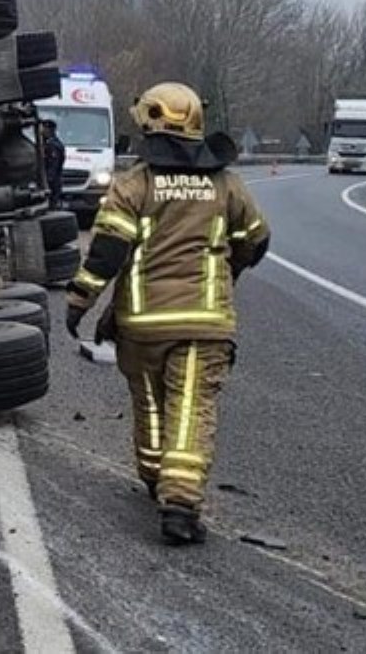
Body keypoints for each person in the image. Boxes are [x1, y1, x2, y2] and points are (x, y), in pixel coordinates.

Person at [63, 82, 269, 545]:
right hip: (204, 322)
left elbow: (107, 255)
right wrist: (226, 268)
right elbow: (257, 239)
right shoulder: (226, 185)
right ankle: (180, 502)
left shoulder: (133, 185)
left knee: (152, 404)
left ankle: (157, 476)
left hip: (140, 325)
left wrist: (79, 301)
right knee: (191, 408)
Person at [42, 119, 66, 209]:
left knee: (52, 206)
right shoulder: (47, 143)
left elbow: (53, 165)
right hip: (52, 181)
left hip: (52, 182)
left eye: (44, 129)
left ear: (50, 130)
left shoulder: (53, 145)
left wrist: (48, 180)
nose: (42, 131)